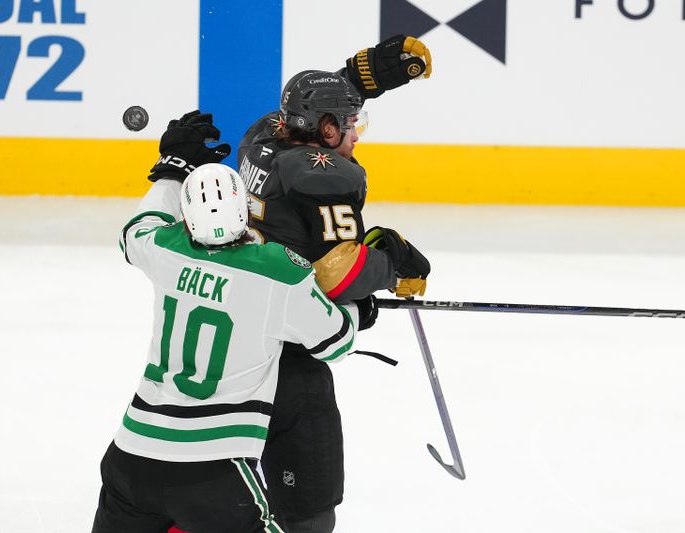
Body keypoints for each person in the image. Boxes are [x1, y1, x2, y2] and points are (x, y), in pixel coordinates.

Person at [92, 113, 374, 533]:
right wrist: (358, 308)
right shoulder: (278, 273)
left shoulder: (165, 250)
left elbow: (137, 228)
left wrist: (172, 170)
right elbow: (335, 342)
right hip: (213, 471)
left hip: (131, 458)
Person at [228, 35, 435, 532]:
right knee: (308, 512)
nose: (356, 133)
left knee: (226, 497)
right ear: (323, 130)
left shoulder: (264, 137)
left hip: (235, 340)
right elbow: (337, 274)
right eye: (348, 124)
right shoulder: (322, 173)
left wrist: (370, 73)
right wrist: (391, 263)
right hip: (289, 360)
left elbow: (319, 101)